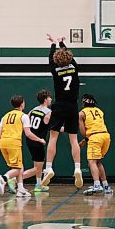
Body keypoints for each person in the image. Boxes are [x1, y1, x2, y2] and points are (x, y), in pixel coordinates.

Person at [42, 34, 82, 188]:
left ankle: (49, 168)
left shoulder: (55, 70)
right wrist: (61, 43)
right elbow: (67, 55)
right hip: (73, 106)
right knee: (73, 139)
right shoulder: (74, 68)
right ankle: (77, 168)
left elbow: (50, 58)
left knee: (53, 138)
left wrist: (52, 45)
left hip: (59, 105)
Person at [0, 95, 46, 196]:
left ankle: (21, 189)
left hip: (3, 143)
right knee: (17, 169)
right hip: (14, 143)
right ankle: (3, 178)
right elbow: (28, 133)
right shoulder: (23, 116)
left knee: (18, 166)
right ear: (22, 104)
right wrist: (40, 139)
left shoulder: (5, 116)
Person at [77, 94, 114, 195]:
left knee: (92, 162)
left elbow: (84, 133)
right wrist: (84, 141)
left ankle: (97, 185)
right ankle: (106, 186)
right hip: (106, 136)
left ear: (84, 102)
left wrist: (84, 139)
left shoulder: (81, 113)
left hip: (95, 137)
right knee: (98, 162)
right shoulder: (99, 111)